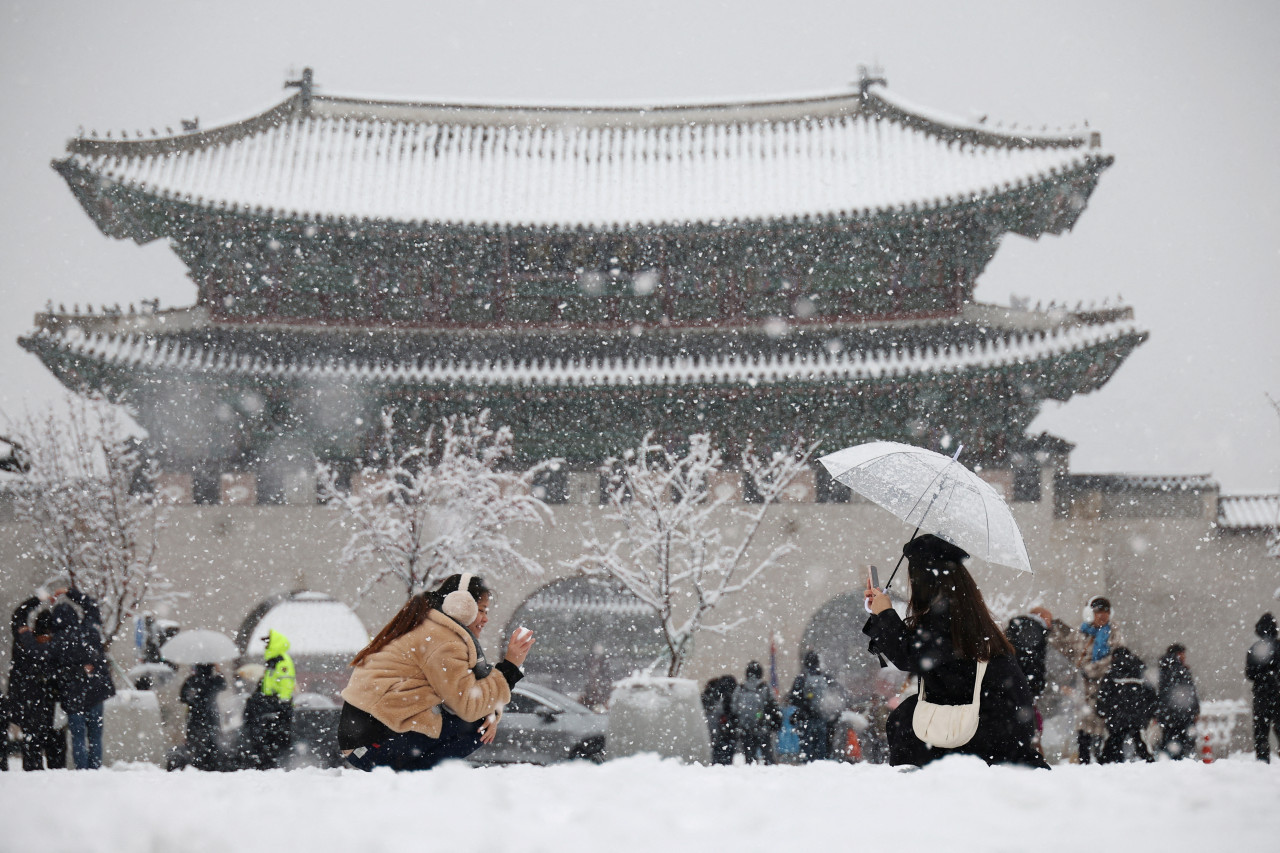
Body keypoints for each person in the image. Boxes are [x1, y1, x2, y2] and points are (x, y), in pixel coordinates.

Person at [863, 534, 1048, 769]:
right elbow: (917, 648)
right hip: (1002, 720)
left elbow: (910, 655)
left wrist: (885, 615)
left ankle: (914, 792)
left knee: (907, 722)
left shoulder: (945, 614)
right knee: (908, 718)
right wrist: (882, 612)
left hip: (989, 726)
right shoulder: (961, 609)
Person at [338, 573, 533, 771]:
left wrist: (491, 710)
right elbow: (468, 705)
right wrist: (510, 666)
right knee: (477, 725)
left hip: (364, 739)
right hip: (371, 744)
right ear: (461, 606)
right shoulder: (444, 640)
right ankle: (414, 777)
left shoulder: (431, 627)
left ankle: (414, 777)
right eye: (481, 610)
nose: (485, 619)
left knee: (478, 719)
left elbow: (465, 694)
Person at [49, 588, 116, 770]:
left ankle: (82, 770)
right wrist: (70, 592)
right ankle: (95, 768)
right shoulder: (90, 630)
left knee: (77, 736)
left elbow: (55, 672)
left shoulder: (56, 642)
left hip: (73, 695)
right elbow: (92, 606)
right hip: (96, 690)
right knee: (95, 736)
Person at [9, 600, 65, 770]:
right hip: (48, 700)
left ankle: (33, 770)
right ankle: (56, 771)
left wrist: (37, 599)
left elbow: (18, 616)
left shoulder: (25, 642)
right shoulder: (56, 647)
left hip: (26, 698)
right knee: (53, 738)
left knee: (31, 739)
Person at [1074, 596, 1123, 764]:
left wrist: (1091, 669)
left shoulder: (1114, 632)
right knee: (1084, 726)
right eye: (1098, 612)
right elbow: (1078, 656)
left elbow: (1116, 658)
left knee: (1104, 725)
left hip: (1107, 687)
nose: (1102, 615)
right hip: (1085, 689)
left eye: (1106, 612)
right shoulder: (1083, 633)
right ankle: (1085, 760)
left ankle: (1104, 759)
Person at [241, 629, 295, 769]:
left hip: (275, 704)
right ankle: (262, 758)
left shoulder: (281, 662)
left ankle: (268, 761)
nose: (265, 647)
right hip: (270, 702)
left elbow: (286, 684)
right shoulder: (273, 662)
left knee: (269, 734)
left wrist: (281, 703)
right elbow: (268, 684)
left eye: (267, 643)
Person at [1096, 647, 1157, 763]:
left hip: (1116, 716)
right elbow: (1151, 695)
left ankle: (1108, 763)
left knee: (1114, 742)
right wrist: (1150, 713)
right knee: (1139, 741)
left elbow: (1103, 695)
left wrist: (1102, 712)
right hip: (1137, 716)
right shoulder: (1141, 673)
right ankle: (1148, 761)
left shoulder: (1112, 674)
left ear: (1114, 658)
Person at [788, 650, 838, 762]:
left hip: (805, 719)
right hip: (822, 718)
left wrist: (804, 706)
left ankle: (807, 767)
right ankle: (821, 766)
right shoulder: (826, 678)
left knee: (806, 747)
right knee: (821, 746)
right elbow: (836, 696)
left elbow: (793, 698)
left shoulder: (802, 678)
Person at [732, 660, 782, 764]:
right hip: (762, 727)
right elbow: (773, 705)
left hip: (745, 728)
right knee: (768, 757)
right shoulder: (765, 688)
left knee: (749, 759)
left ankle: (750, 777)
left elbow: (734, 708)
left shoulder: (740, 688)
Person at [1156, 643, 1200, 760]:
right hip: (1183, 714)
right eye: (1182, 654)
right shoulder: (1181, 671)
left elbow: (1161, 694)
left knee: (1169, 743)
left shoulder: (1162, 670)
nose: (1184, 657)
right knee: (1185, 745)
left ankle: (1169, 764)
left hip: (1168, 715)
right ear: (1178, 654)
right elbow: (1190, 692)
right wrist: (1195, 711)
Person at [179, 663, 226, 770]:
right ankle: (213, 765)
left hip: (195, 716)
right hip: (212, 715)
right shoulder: (214, 680)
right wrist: (219, 671)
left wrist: (192, 699)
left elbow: (182, 697)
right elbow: (224, 685)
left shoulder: (191, 680)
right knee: (213, 741)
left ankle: (196, 765)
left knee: (195, 743)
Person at [1246, 612, 1279, 762]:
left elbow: (1249, 674)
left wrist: (1262, 676)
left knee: (1261, 732)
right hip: (1278, 693)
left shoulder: (1254, 649)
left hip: (1261, 695)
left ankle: (1262, 763)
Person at [700, 674, 738, 765]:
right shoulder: (727, 699)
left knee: (715, 759)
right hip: (725, 734)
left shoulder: (707, 698)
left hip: (712, 734)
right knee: (726, 759)